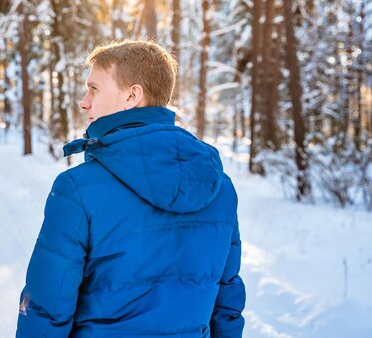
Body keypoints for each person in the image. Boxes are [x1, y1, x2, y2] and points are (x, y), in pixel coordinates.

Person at [16, 40, 246, 338]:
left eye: (94, 89)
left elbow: (46, 310)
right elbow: (226, 305)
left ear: (132, 95)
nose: (84, 101)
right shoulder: (219, 186)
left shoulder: (77, 189)